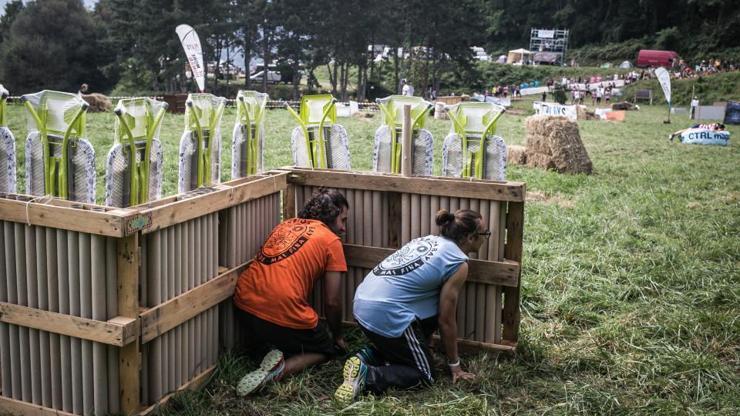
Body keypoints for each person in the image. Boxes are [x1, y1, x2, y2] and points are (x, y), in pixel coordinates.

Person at [334, 209, 485, 402]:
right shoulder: (457, 262)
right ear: (469, 238)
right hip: (386, 312)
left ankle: (365, 357)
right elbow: (446, 319)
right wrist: (455, 365)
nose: (486, 237)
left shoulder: (427, 240)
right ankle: (368, 376)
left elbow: (422, 298)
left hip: (362, 303)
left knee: (421, 319)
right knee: (424, 375)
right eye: (484, 233)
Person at [233, 188, 349, 396]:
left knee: (279, 332)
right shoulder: (331, 241)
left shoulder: (286, 225)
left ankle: (267, 349)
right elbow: (332, 301)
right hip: (280, 309)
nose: (343, 228)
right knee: (325, 349)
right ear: (332, 216)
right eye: (343, 219)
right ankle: (279, 371)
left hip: (243, 303)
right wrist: (338, 336)